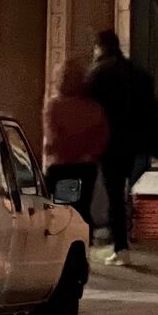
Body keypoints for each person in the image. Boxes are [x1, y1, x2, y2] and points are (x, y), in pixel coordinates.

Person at [86, 30, 158, 263]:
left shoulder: (98, 74)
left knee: (114, 193)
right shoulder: (137, 74)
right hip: (136, 144)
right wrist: (154, 143)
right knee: (122, 192)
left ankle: (119, 246)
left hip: (109, 144)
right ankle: (122, 242)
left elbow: (88, 110)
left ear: (100, 47)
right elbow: (152, 109)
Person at [42, 59, 109, 225]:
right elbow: (102, 137)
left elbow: (53, 139)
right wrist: (89, 153)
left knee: (65, 212)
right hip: (86, 166)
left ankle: (68, 247)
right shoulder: (93, 108)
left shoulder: (55, 106)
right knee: (82, 209)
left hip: (63, 166)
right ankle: (83, 244)